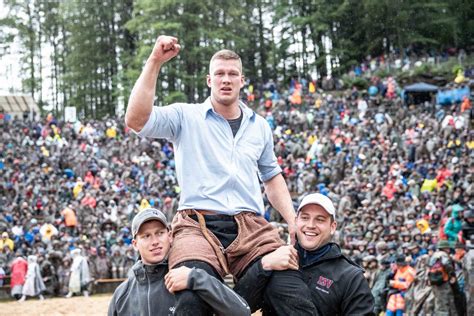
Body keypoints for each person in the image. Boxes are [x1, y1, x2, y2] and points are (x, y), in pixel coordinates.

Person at [125, 35, 315, 315]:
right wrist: (154, 62)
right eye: (219, 74)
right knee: (190, 297)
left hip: (251, 225)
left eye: (232, 74)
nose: (226, 79)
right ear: (208, 81)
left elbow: (272, 177)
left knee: (290, 290)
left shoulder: (259, 126)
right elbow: (136, 119)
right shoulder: (184, 116)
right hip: (196, 223)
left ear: (242, 80)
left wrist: (292, 220)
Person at [235, 193, 374, 315]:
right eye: (305, 218)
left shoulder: (350, 277)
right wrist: (264, 265)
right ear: (296, 221)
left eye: (320, 219)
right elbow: (238, 305)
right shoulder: (274, 257)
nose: (311, 225)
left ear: (333, 227)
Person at [108, 208, 250, 316]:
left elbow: (242, 311)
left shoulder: (191, 272)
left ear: (170, 236)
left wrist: (196, 279)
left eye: (159, 233)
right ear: (135, 243)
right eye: (146, 236)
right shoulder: (122, 295)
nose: (155, 242)